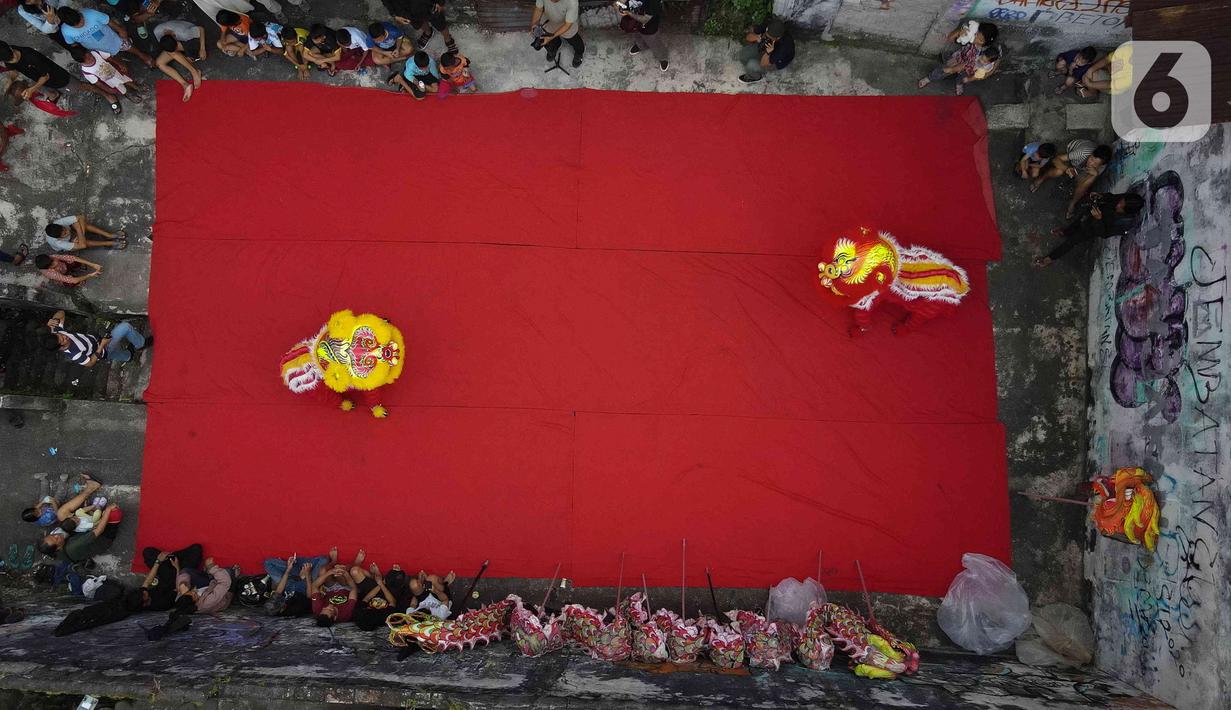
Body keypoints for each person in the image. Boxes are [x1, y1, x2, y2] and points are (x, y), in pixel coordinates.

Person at [1035, 192, 1145, 267]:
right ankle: (1065, 232)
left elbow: (1104, 234)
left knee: (1072, 241)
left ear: (1127, 211)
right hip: (1094, 214)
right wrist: (1101, 195)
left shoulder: (1125, 223)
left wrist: (1098, 219)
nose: (1118, 204)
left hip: (1094, 228)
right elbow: (1112, 197)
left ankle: (1049, 258)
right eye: (1121, 201)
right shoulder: (1125, 199)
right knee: (1078, 221)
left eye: (1121, 206)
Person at [1031, 139, 1113, 219]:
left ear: (1100, 165)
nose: (1091, 163)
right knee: (1059, 171)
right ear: (1091, 154)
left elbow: (1084, 183)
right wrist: (1066, 169)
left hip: (1079, 168)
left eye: (1095, 164)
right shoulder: (1082, 153)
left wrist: (1094, 175)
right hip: (1071, 158)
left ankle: (1072, 203)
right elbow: (1056, 159)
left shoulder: (1101, 167)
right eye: (1091, 159)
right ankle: (1041, 179)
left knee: (1087, 182)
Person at [43, 309, 152, 367]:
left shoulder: (57, 332)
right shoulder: (74, 354)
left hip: (98, 342)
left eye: (61, 335)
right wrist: (102, 345)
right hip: (102, 348)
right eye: (63, 340)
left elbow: (61, 313)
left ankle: (128, 356)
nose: (65, 336)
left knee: (118, 354)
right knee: (125, 327)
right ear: (60, 347)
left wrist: (54, 320)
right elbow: (89, 363)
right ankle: (141, 344)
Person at [56, 7, 156, 69]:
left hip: (112, 39)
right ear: (68, 25)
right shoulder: (66, 30)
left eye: (81, 21)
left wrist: (121, 30)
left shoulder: (90, 13)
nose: (81, 25)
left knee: (128, 46)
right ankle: (122, 64)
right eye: (76, 25)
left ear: (78, 13)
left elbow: (108, 21)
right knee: (112, 58)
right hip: (98, 49)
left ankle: (143, 56)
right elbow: (73, 44)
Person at [918, 20, 997, 94]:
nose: (975, 39)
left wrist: (953, 70)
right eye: (976, 35)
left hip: (968, 68)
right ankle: (930, 78)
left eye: (980, 40)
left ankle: (959, 84)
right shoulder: (970, 36)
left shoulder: (985, 52)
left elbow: (994, 60)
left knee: (962, 78)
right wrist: (960, 32)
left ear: (986, 43)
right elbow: (950, 38)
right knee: (943, 70)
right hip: (958, 58)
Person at [128, 543, 204, 612]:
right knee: (196, 550)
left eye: (142, 592)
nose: (144, 591)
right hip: (176, 580)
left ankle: (171, 558)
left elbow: (147, 582)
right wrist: (177, 568)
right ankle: (174, 559)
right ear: (144, 604)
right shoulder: (162, 603)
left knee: (148, 552)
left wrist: (158, 561)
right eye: (144, 595)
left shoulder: (142, 593)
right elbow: (178, 589)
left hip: (164, 577)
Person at [38, 502, 121, 563]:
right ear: (57, 548)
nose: (56, 535)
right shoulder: (74, 546)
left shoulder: (55, 551)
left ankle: (98, 515)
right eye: (56, 539)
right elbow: (99, 530)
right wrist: (108, 510)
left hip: (86, 536)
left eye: (52, 535)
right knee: (114, 512)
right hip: (103, 538)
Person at [68, 46, 142, 112]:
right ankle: (128, 94)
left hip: (117, 72)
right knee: (121, 89)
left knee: (127, 80)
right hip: (110, 82)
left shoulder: (96, 53)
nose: (91, 58)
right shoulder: (87, 71)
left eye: (89, 55)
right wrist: (107, 89)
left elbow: (110, 58)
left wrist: (120, 64)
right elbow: (97, 83)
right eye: (88, 59)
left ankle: (136, 87)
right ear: (81, 62)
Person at [0, 41, 73, 104]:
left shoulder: (31, 55)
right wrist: (10, 80)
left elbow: (45, 76)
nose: (15, 60)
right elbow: (13, 71)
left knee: (73, 87)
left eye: (13, 56)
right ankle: (55, 95)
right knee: (46, 88)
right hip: (37, 77)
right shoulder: (5, 54)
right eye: (10, 60)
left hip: (57, 77)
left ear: (10, 48)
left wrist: (31, 89)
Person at [263, 551, 332, 616]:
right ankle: (301, 567)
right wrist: (307, 575)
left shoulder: (274, 602)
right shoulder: (296, 609)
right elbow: (309, 595)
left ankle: (296, 567)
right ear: (281, 609)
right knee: (324, 559)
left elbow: (279, 590)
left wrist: (288, 569)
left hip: (289, 584)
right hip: (306, 585)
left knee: (268, 562)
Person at [307, 548, 363, 626]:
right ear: (335, 617)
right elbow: (354, 589)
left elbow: (315, 586)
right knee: (340, 573)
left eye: (324, 608)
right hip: (346, 588)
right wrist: (346, 574)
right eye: (330, 610)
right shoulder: (345, 614)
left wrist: (329, 572)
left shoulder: (317, 611)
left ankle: (333, 562)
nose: (328, 606)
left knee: (323, 570)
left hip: (329, 589)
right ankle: (355, 564)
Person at [23, 474, 101, 528]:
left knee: (43, 495)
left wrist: (42, 502)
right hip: (53, 510)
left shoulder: (34, 516)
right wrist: (53, 502)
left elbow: (36, 508)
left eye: (36, 509)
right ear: (37, 518)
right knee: (59, 496)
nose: (39, 509)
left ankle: (43, 480)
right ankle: (63, 481)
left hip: (48, 507)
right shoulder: (47, 518)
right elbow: (56, 513)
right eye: (38, 512)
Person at [384, 0, 458, 54]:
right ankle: (428, 32)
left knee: (440, 24)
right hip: (405, 10)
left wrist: (440, 2)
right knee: (418, 23)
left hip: (427, 4)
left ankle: (448, 39)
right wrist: (394, 15)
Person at [738, 18, 794, 84]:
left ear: (778, 38)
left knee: (751, 65)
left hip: (776, 61)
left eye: (770, 38)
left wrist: (768, 53)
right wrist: (757, 37)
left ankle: (756, 77)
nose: (767, 38)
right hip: (767, 49)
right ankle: (753, 68)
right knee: (743, 54)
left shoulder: (785, 46)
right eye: (766, 35)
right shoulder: (771, 26)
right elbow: (748, 37)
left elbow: (763, 63)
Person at [617, 0, 667, 72]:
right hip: (634, 23)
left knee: (654, 43)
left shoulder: (653, 2)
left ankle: (663, 58)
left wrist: (628, 12)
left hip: (649, 26)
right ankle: (641, 46)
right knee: (637, 36)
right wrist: (621, 5)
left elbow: (644, 19)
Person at [531, 0, 583, 68]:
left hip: (566, 24)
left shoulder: (572, 2)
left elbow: (567, 25)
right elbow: (539, 8)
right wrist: (534, 24)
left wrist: (551, 37)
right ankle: (553, 50)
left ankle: (579, 55)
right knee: (548, 42)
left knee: (576, 42)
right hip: (548, 20)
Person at [155, 35, 204, 101]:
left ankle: (194, 71)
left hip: (187, 43)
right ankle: (185, 85)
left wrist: (202, 48)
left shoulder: (182, 32)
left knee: (173, 53)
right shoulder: (160, 36)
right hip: (173, 43)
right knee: (159, 63)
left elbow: (201, 29)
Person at [43, 214, 125, 252]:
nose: (67, 231)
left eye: (65, 229)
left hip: (77, 234)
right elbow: (83, 245)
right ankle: (109, 243)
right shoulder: (58, 243)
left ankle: (108, 235)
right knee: (83, 241)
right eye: (64, 234)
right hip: (69, 244)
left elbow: (81, 216)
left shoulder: (58, 223)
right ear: (59, 238)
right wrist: (78, 230)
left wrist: (81, 234)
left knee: (82, 225)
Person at [34, 252, 102, 287]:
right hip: (61, 274)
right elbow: (74, 280)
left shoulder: (52, 257)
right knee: (71, 283)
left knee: (75, 261)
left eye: (53, 260)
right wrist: (89, 275)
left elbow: (73, 258)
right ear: (48, 268)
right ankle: (77, 281)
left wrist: (92, 264)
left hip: (64, 266)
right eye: (52, 264)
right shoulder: (51, 274)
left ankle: (74, 270)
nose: (55, 262)